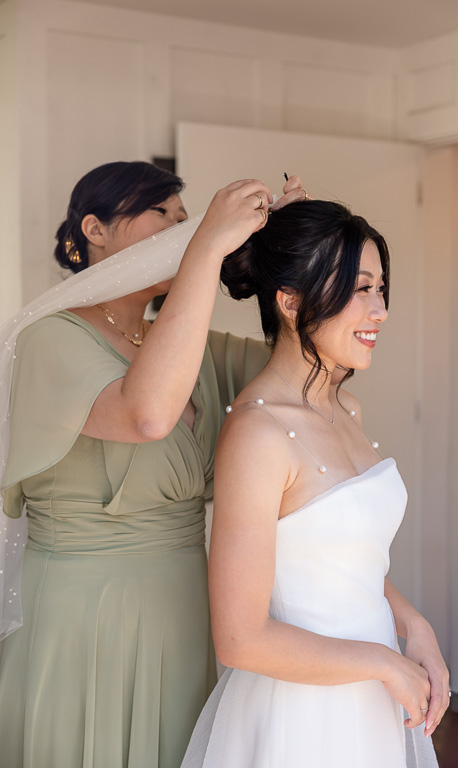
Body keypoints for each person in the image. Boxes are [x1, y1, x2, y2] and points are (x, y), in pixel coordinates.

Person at [0, 161, 305, 768]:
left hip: (185, 606)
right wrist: (206, 248)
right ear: (94, 229)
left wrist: (293, 252)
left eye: (187, 220)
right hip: (85, 615)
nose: (180, 229)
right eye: (161, 213)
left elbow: (308, 370)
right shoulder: (49, 339)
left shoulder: (192, 347)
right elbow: (146, 415)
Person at [181, 200, 450, 767]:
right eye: (359, 289)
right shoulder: (257, 434)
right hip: (304, 713)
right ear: (290, 302)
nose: (379, 310)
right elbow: (240, 637)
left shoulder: (347, 408)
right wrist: (383, 662)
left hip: (374, 702)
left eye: (380, 288)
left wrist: (414, 625)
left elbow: (343, 559)